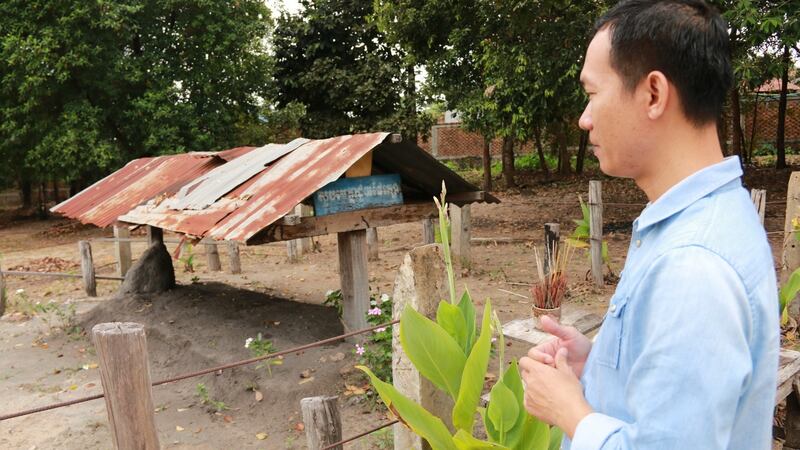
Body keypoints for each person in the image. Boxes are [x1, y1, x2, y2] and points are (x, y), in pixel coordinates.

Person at [518, 1, 780, 449]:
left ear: (653, 94)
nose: (584, 119)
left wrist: (571, 413)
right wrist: (600, 365)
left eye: (592, 93)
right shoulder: (710, 216)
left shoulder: (693, 266)